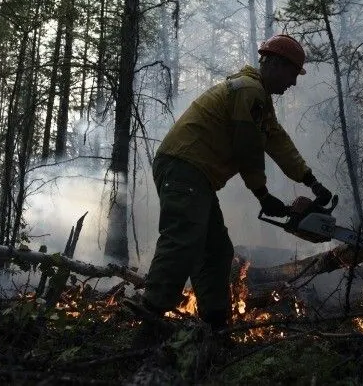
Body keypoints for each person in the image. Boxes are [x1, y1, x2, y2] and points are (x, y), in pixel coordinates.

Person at [127, 34, 332, 342]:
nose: (293, 83)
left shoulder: (257, 98)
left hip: (196, 173)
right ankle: (151, 317)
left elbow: (276, 140)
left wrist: (310, 180)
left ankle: (215, 323)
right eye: (293, 74)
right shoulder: (249, 91)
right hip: (184, 165)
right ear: (276, 65)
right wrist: (263, 195)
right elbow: (247, 148)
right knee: (183, 237)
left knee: (216, 249)